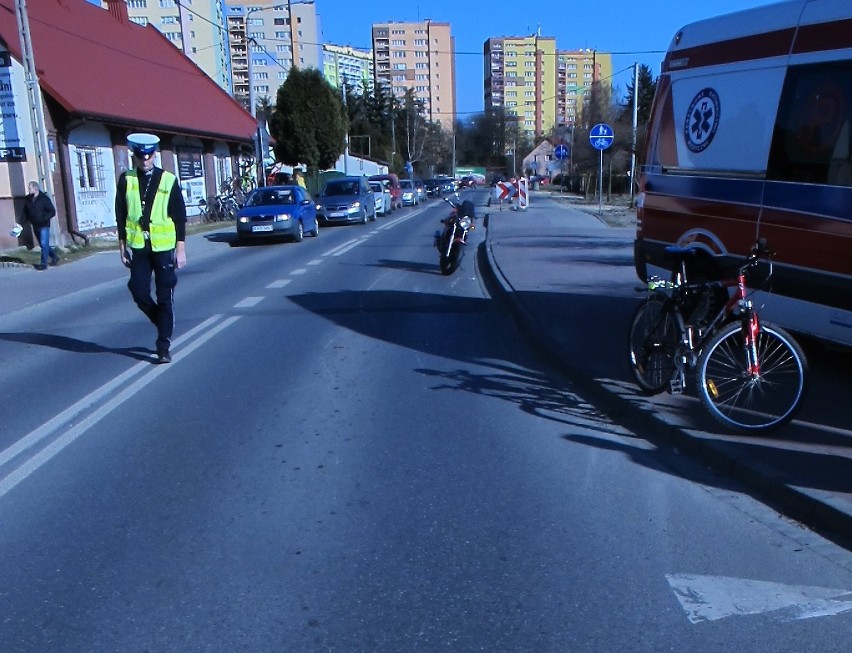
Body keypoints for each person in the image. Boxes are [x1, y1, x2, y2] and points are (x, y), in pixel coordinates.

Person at [115, 133, 187, 363]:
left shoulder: (168, 180)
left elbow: (179, 216)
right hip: (139, 246)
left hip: (164, 247)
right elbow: (121, 214)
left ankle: (163, 345)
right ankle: (162, 319)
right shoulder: (126, 179)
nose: (144, 160)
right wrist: (122, 246)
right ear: (133, 156)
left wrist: (181, 249)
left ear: (154, 154)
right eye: (140, 156)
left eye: (148, 156)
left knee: (165, 296)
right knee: (139, 292)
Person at [22, 181, 59, 270]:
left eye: (30, 188)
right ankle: (55, 257)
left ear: (35, 188)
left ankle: (43, 264)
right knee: (44, 245)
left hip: (44, 225)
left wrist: (44, 218)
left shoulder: (44, 198)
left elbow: (52, 211)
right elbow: (25, 213)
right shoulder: (28, 199)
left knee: (43, 243)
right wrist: (20, 224)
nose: (28, 190)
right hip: (35, 225)